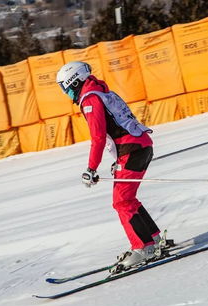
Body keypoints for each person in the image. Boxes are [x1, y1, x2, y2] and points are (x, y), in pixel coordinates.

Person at [56, 61, 164, 271]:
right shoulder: (101, 92)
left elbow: (97, 138)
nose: (66, 94)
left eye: (65, 88)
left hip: (131, 150)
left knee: (122, 202)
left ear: (74, 82)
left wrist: (91, 169)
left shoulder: (91, 100)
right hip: (139, 146)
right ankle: (154, 240)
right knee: (127, 200)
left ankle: (143, 248)